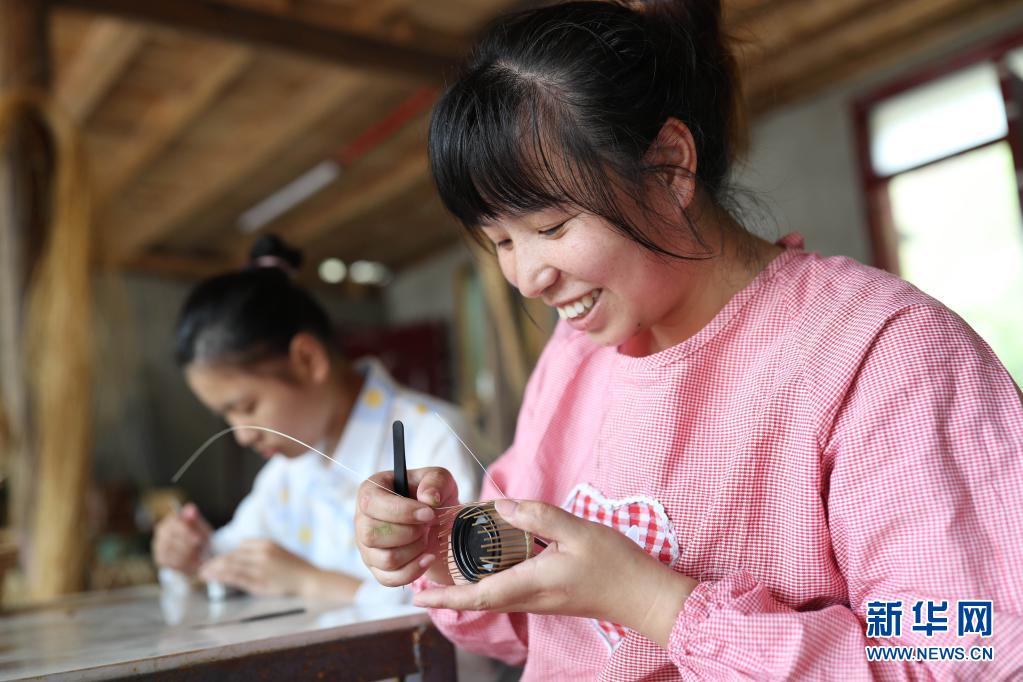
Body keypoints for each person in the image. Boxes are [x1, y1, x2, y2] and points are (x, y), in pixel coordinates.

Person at [353, 0, 1023, 678]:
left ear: (671, 167)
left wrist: (653, 603)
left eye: (551, 228)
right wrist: (444, 546)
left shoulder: (887, 355)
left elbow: (964, 652)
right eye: (500, 241)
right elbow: (535, 628)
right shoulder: (578, 353)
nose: (527, 277)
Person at [152, 235, 479, 603]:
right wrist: (190, 554)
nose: (242, 435)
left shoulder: (433, 437)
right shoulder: (286, 474)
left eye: (246, 407)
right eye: (226, 416)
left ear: (308, 360)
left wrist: (309, 582)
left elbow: (469, 600)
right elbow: (230, 557)